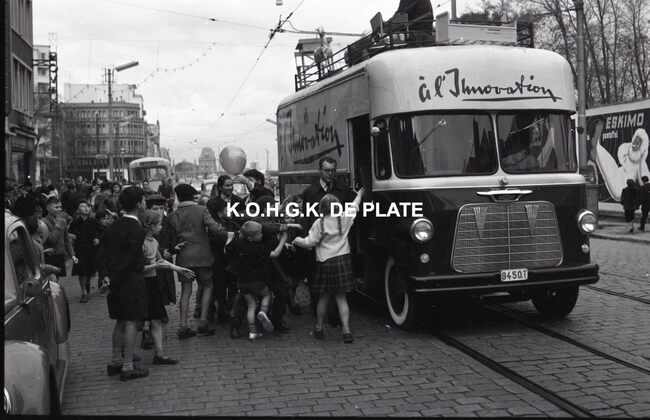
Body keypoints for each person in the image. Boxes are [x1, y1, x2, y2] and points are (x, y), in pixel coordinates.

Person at [292, 187, 365, 343]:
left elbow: (309, 242)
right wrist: (359, 195)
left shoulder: (319, 223)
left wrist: (296, 241)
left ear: (322, 207)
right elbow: (354, 206)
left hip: (325, 263)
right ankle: (346, 331)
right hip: (342, 261)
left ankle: (319, 329)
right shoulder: (344, 218)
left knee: (323, 297)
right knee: (341, 298)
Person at [167, 184, 232, 339]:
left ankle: (183, 326)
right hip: (203, 255)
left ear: (179, 197)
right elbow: (214, 228)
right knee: (208, 286)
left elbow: (171, 238)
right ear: (193, 196)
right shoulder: (202, 210)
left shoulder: (172, 216)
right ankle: (203, 323)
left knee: (186, 291)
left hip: (184, 256)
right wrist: (228, 232)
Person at [301, 157, 356, 325]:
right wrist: (307, 238)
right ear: (320, 170)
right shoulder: (310, 192)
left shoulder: (344, 190)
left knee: (335, 287)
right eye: (326, 170)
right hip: (317, 240)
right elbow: (306, 217)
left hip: (334, 243)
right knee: (317, 284)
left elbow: (353, 209)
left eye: (333, 170)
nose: (330, 173)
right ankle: (318, 315)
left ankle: (334, 317)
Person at [140, 209, 195, 365]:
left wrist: (178, 269)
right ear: (151, 226)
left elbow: (160, 261)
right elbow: (139, 268)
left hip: (152, 283)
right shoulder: (141, 244)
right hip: (143, 284)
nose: (161, 227)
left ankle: (159, 354)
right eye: (159, 225)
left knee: (157, 319)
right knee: (137, 321)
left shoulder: (154, 242)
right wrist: (155, 267)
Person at [104, 186, 149, 381]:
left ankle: (115, 361)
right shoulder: (137, 229)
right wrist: (118, 276)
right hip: (130, 279)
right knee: (131, 322)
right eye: (143, 200)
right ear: (138, 204)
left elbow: (103, 254)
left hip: (115, 280)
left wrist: (108, 277)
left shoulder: (114, 225)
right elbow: (130, 258)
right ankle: (128, 365)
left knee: (120, 321)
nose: (145, 203)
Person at [226, 221, 288, 340]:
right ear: (251, 237)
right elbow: (275, 254)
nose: (261, 235)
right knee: (267, 295)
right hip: (258, 280)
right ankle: (263, 312)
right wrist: (283, 240)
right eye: (259, 234)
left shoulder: (238, 243)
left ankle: (252, 332)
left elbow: (226, 249)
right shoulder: (259, 248)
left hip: (242, 281)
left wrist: (229, 238)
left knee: (251, 305)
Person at [592, 125, 650, 201]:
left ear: (641, 146)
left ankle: (597, 150)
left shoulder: (641, 162)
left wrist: (641, 160)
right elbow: (621, 157)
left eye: (639, 140)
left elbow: (644, 180)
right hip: (619, 173)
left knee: (617, 190)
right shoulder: (628, 149)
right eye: (636, 137)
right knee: (610, 165)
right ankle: (597, 148)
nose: (636, 141)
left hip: (624, 185)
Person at [69, 200, 102, 302]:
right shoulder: (75, 223)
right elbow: (68, 235)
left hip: (92, 249)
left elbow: (102, 232)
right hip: (80, 249)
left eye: (87, 206)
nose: (86, 208)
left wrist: (98, 238)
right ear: (78, 210)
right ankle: (83, 291)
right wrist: (72, 237)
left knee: (90, 271)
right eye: (83, 206)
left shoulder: (94, 221)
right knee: (82, 271)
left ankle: (87, 284)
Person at [42, 197, 77, 278]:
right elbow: (52, 240)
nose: (59, 209)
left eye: (60, 207)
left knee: (57, 279)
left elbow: (66, 240)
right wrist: (57, 226)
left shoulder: (63, 221)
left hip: (60, 256)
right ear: (48, 208)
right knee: (52, 279)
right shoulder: (43, 222)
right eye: (56, 207)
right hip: (49, 257)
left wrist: (72, 254)